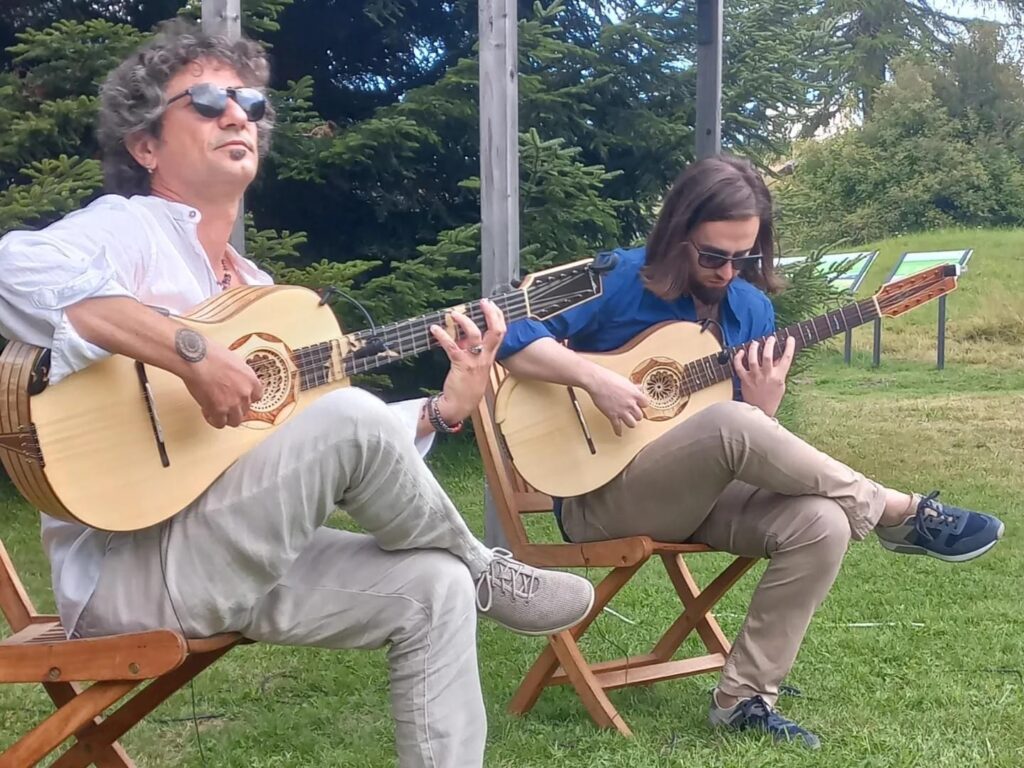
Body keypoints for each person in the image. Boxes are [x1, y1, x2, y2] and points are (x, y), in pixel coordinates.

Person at [0, 21, 595, 768]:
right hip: (130, 577)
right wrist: (191, 352)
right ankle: (488, 567)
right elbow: (14, 271)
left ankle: (466, 577)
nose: (237, 113)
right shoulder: (125, 230)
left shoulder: (258, 294)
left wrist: (445, 408)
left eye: (249, 101)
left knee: (432, 585)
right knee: (363, 436)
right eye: (208, 99)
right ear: (145, 145)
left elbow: (321, 440)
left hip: (241, 558)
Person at [498, 154, 1005, 749]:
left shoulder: (752, 311)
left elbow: (740, 441)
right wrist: (596, 380)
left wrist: (766, 404)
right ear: (677, 232)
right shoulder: (618, 279)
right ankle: (896, 510)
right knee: (736, 423)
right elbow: (506, 331)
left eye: (744, 256)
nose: (726, 270)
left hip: (696, 497)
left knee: (821, 522)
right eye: (713, 255)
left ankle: (744, 699)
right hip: (600, 496)